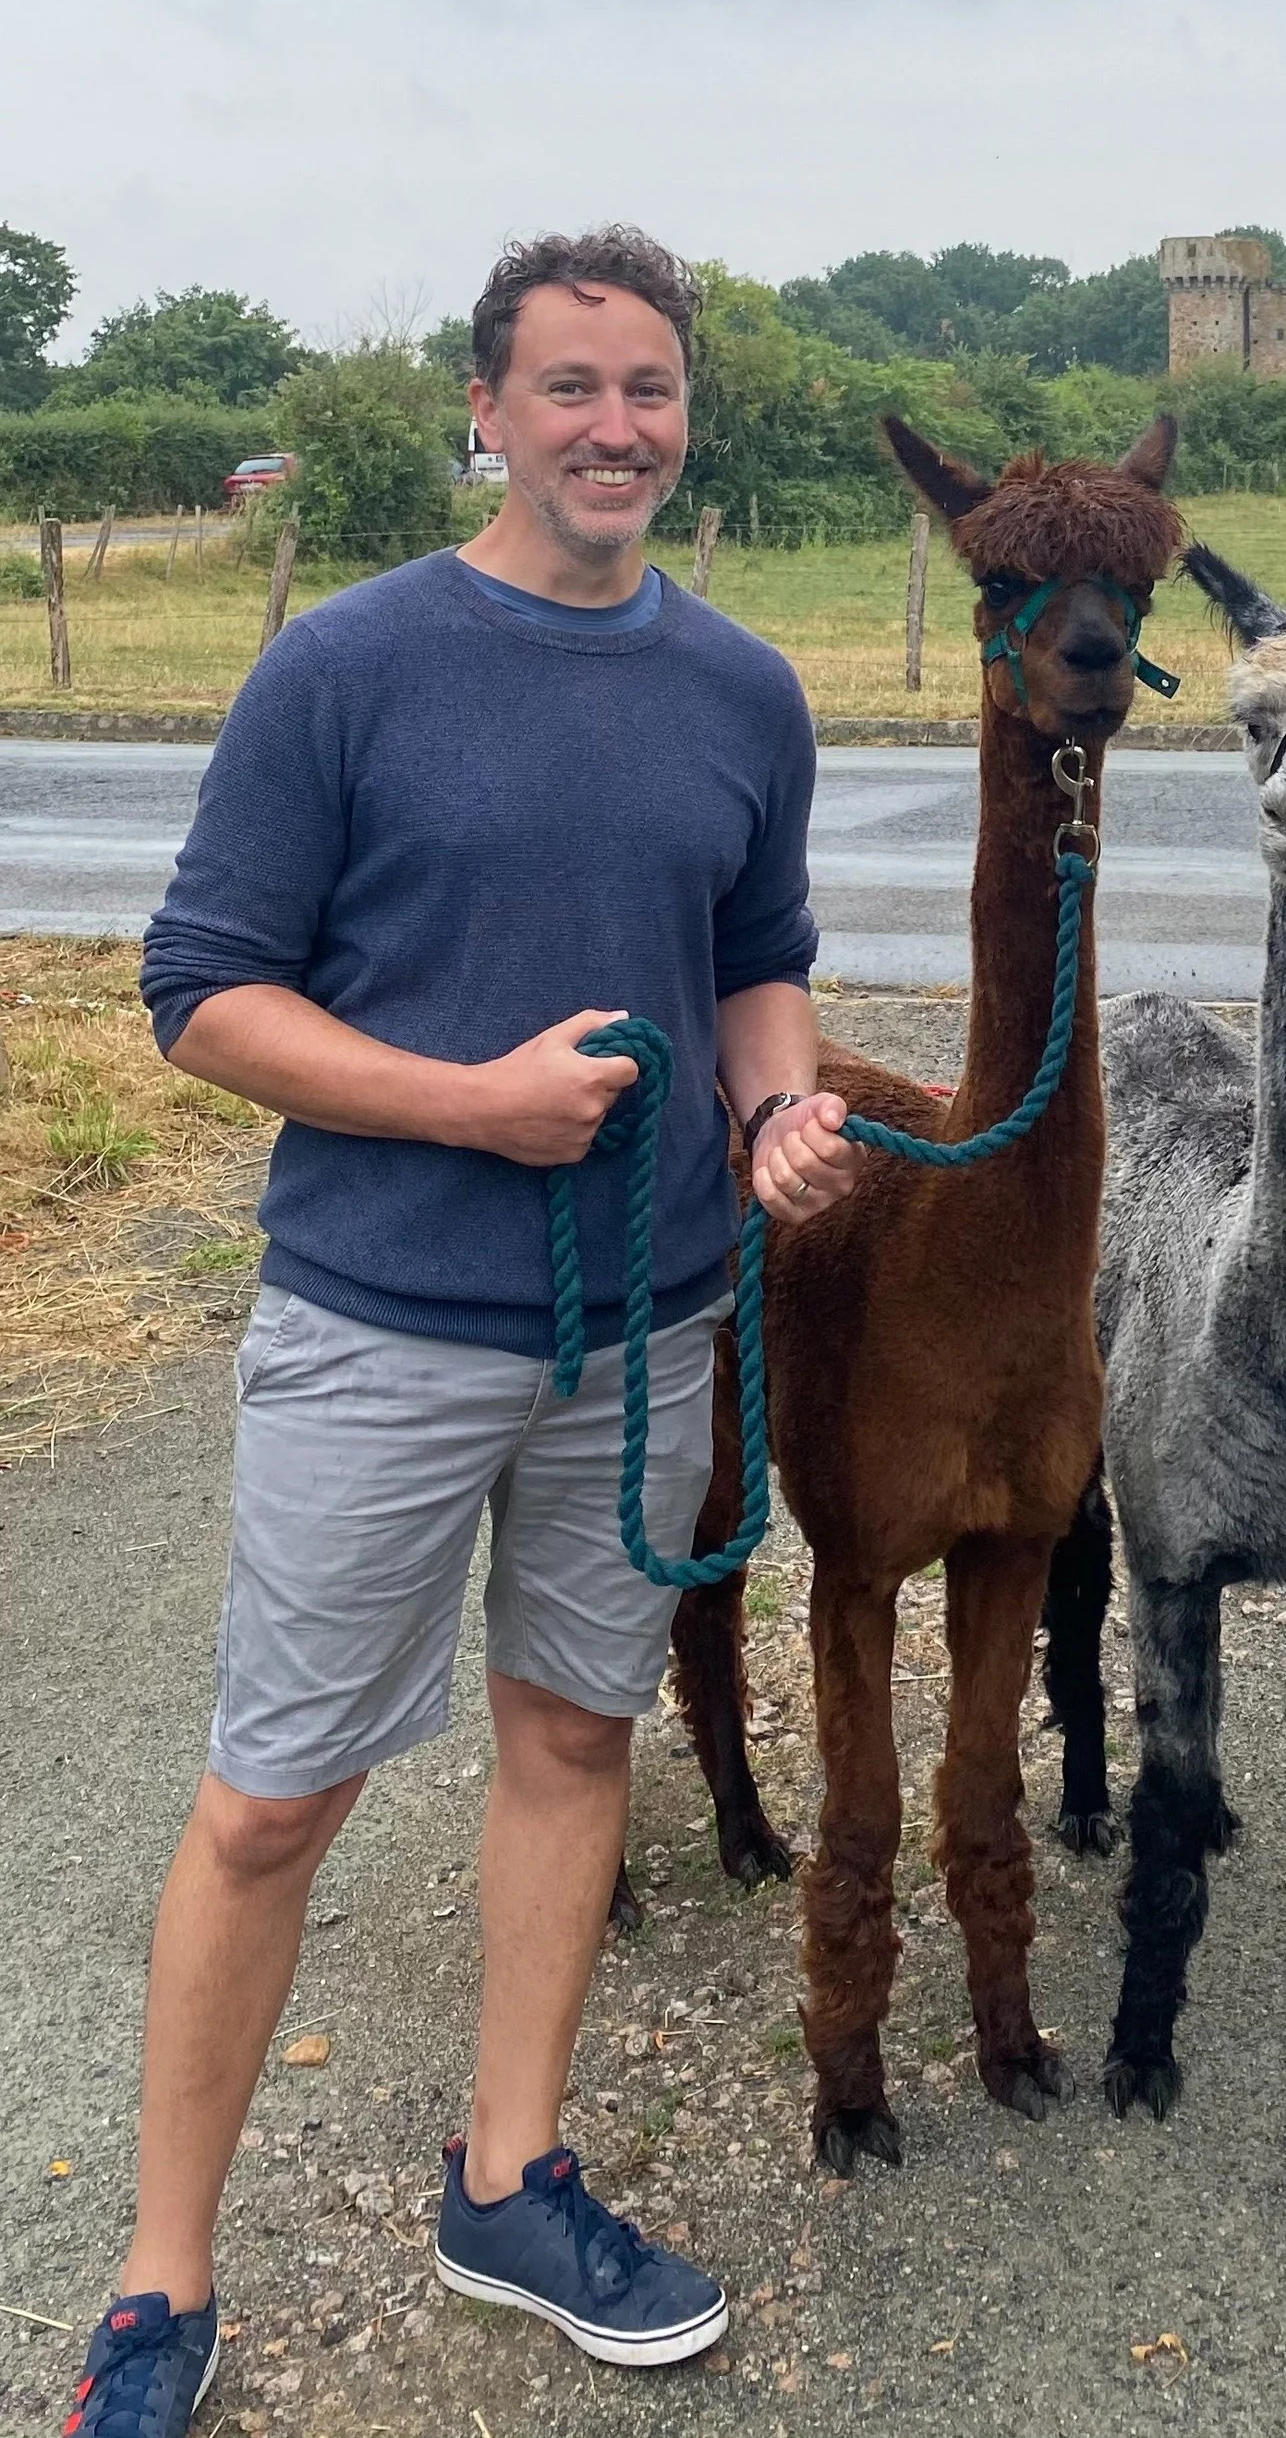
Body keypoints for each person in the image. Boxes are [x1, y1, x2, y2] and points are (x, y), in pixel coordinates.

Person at [69, 227, 860, 2436]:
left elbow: (757, 958)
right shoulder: (348, 665)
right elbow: (200, 992)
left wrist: (779, 1101)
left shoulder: (744, 690)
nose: (618, 425)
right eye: (572, 385)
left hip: (649, 1318)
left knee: (577, 1739)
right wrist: (470, 1105)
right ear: (488, 411)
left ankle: (505, 2175)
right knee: (271, 1796)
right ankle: (160, 2275)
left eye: (652, 389)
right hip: (384, 1325)